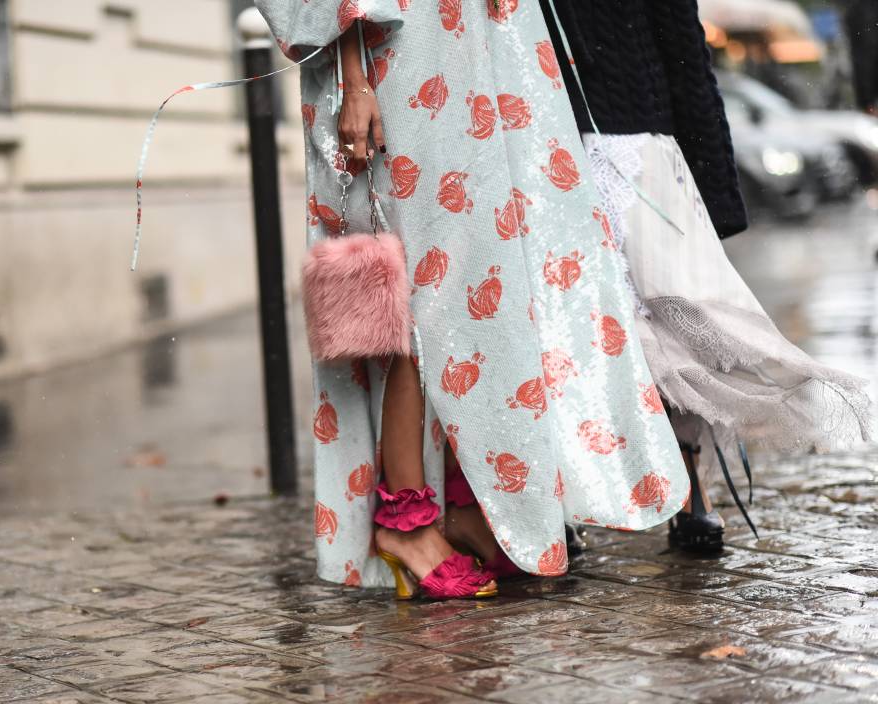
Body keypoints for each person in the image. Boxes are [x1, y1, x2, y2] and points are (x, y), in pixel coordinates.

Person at [256, 0, 692, 599]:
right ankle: (404, 523)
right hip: (397, 73)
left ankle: (464, 507)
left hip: (479, 73)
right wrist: (354, 82)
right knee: (420, 300)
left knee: (485, 292)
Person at [538, 0, 873, 552]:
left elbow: (688, 61)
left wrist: (715, 196)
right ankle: (565, 495)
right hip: (544, 150)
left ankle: (691, 484)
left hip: (640, 150)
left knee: (674, 325)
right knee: (566, 330)